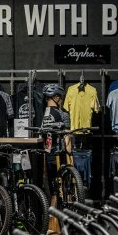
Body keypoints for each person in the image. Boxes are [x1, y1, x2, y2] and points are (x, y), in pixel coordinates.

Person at [40, 84, 73, 221]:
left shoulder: (43, 115)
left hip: (47, 154)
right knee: (64, 187)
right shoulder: (62, 114)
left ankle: (52, 219)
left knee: (53, 189)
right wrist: (70, 154)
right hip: (60, 154)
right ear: (57, 97)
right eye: (61, 97)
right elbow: (67, 138)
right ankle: (62, 219)